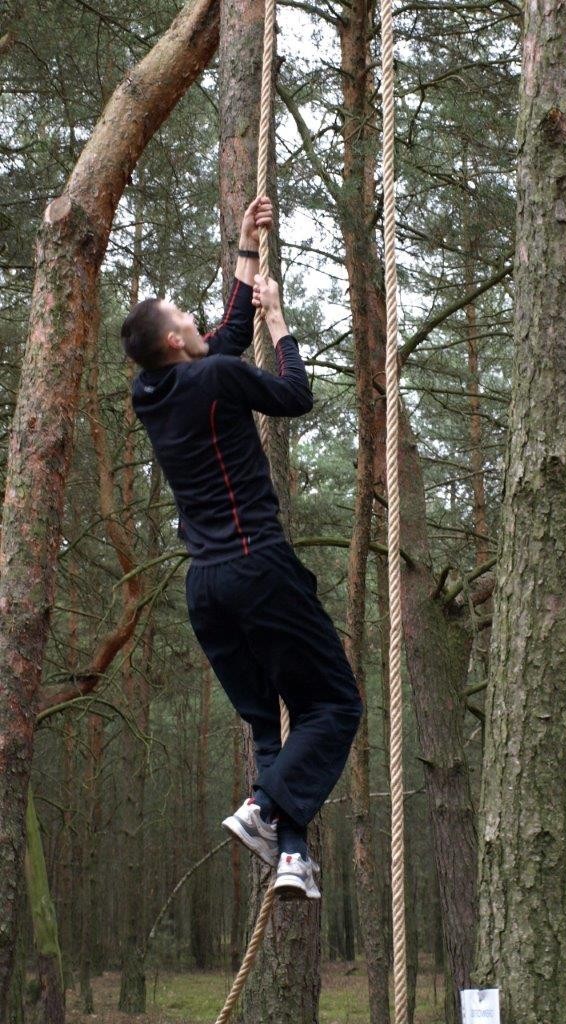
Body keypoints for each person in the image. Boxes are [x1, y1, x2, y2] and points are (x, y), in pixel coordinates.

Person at [121, 196, 362, 900]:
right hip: (260, 568)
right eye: (181, 318)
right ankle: (264, 809)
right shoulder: (212, 377)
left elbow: (222, 337)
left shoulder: (151, 392)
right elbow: (294, 395)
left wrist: (248, 249)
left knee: (268, 722)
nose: (194, 320)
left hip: (207, 588)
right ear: (173, 343)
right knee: (333, 708)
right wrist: (279, 322)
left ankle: (291, 857)